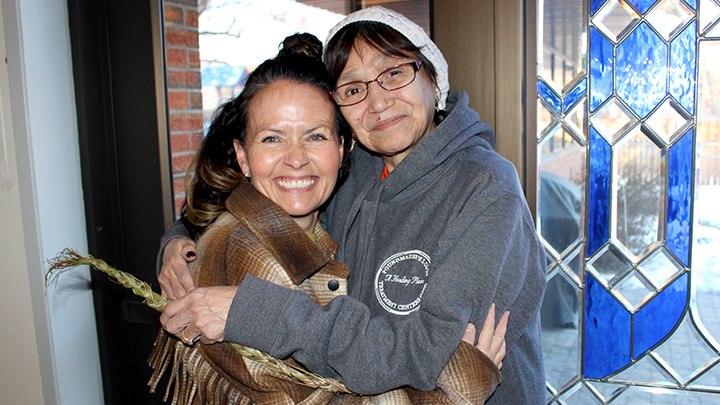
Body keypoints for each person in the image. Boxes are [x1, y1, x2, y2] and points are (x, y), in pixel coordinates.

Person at [160, 7, 546, 404]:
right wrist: (179, 241)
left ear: (433, 78)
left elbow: (431, 360)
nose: (377, 103)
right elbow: (246, 186)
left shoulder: (485, 188)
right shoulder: (350, 167)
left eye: (394, 73)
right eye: (353, 89)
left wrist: (263, 314)